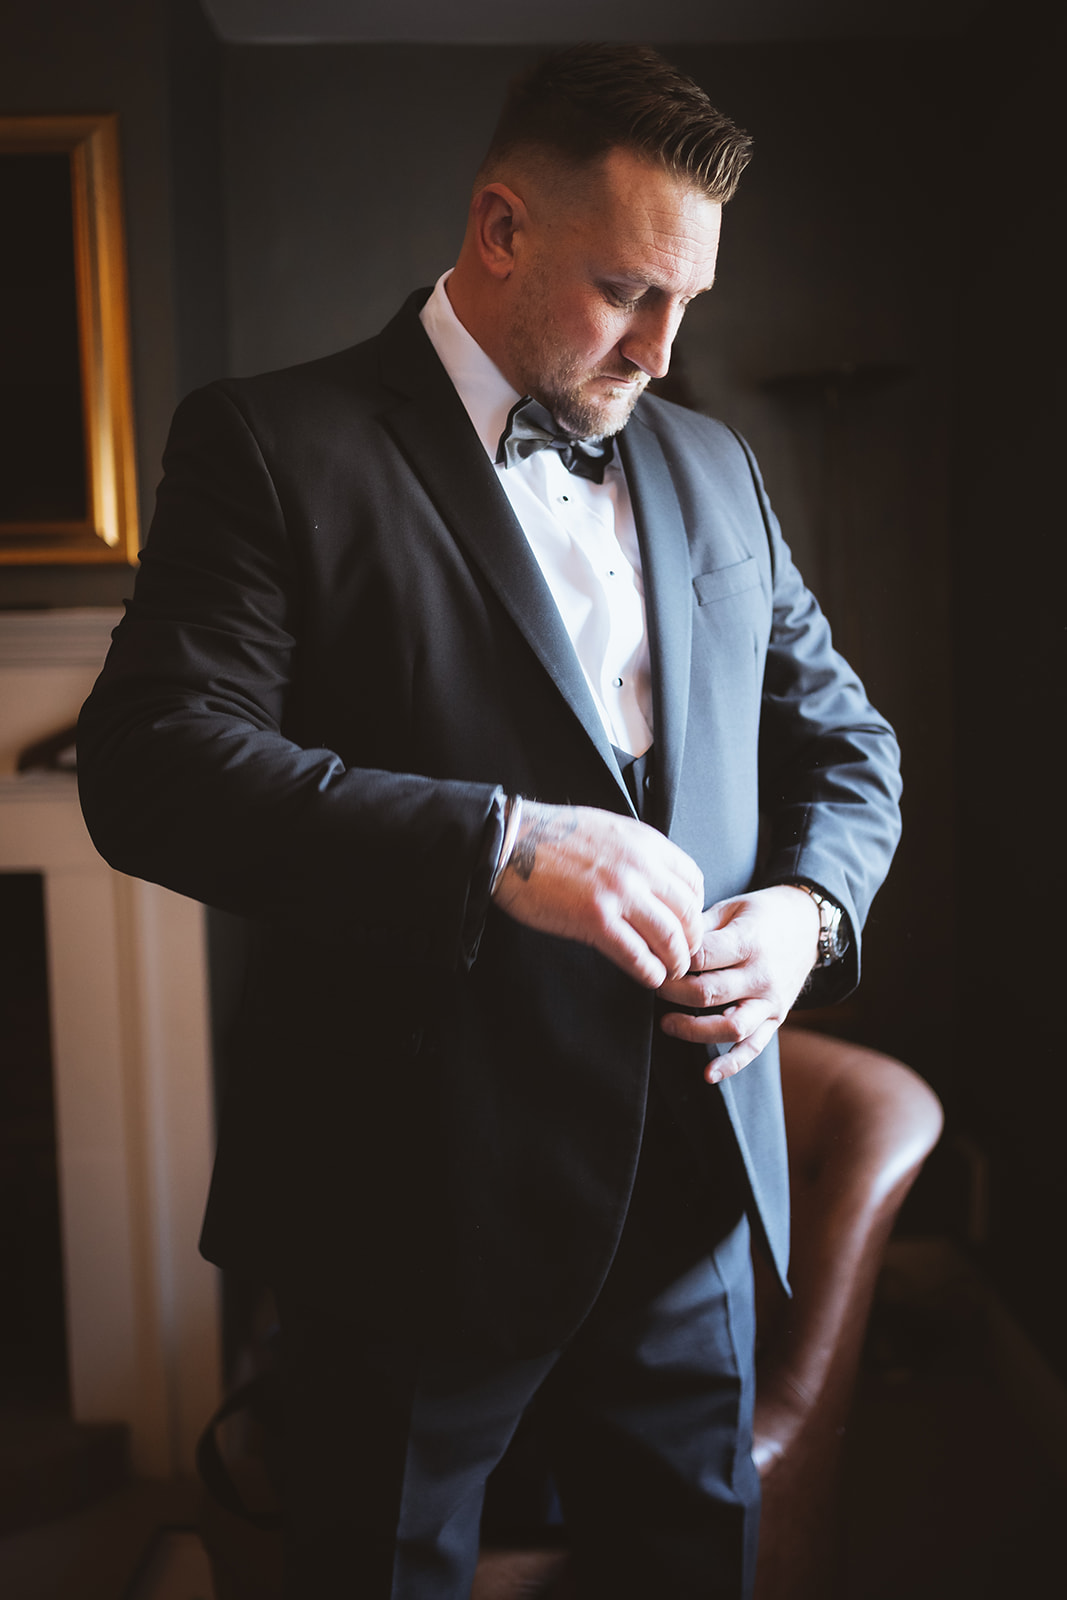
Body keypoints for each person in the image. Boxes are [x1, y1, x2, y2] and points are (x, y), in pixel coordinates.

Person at [77, 42, 901, 1600]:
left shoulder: (716, 465)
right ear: (501, 227)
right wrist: (501, 844)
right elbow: (151, 766)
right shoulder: (270, 444)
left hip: (687, 1198)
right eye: (626, 292)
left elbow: (848, 746)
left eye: (688, 301)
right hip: (407, 1216)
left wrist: (808, 916)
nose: (663, 348)